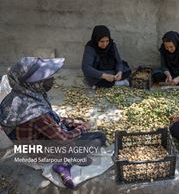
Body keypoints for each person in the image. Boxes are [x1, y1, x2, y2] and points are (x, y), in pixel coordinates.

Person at [0, 57, 106, 189]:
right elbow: (63, 138)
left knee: (76, 128)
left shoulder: (16, 97)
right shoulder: (35, 111)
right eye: (45, 77)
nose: (51, 79)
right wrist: (84, 127)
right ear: (32, 83)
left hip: (30, 143)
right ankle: (65, 163)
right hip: (42, 151)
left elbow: (48, 121)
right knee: (99, 137)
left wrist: (71, 122)